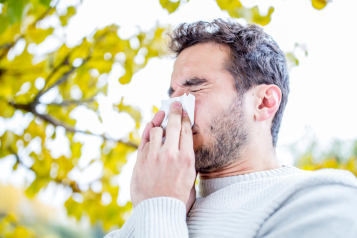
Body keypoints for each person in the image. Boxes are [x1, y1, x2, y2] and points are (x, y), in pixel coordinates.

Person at [105, 19, 357, 238]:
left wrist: (159, 207)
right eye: (172, 94)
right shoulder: (169, 200)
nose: (175, 108)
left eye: (194, 88)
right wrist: (152, 208)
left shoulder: (321, 199)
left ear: (264, 103)